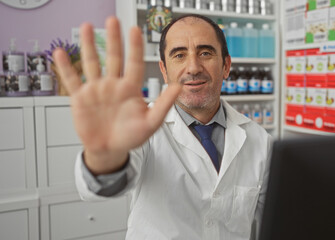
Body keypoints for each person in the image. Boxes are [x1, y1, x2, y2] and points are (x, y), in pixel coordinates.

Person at [53, 14, 272, 240]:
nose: (193, 67)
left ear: (226, 66)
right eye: (179, 55)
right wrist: (106, 156)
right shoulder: (141, 129)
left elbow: (277, 218)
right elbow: (103, 186)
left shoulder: (260, 140)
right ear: (164, 71)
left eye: (205, 53)